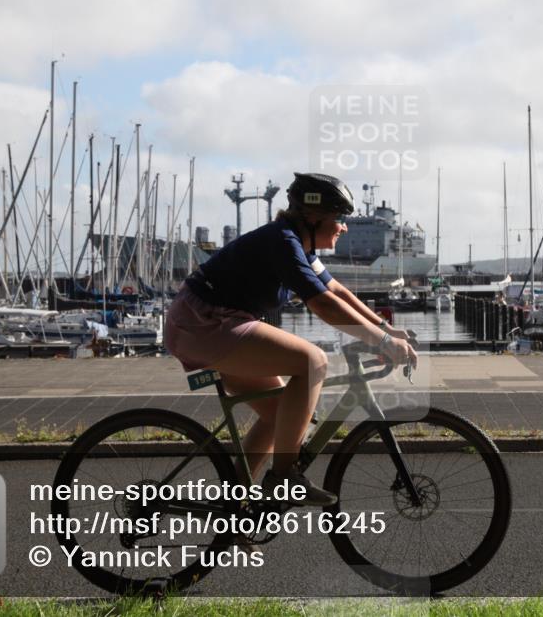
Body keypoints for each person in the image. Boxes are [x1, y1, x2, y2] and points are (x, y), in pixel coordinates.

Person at [164, 172, 417, 507]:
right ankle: (282, 477)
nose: (343, 227)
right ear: (312, 217)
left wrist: (386, 331)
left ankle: (233, 511)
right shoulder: (282, 242)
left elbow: (335, 290)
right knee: (312, 361)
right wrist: (383, 343)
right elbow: (324, 304)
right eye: (338, 218)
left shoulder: (297, 244)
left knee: (280, 413)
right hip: (204, 324)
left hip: (209, 324)